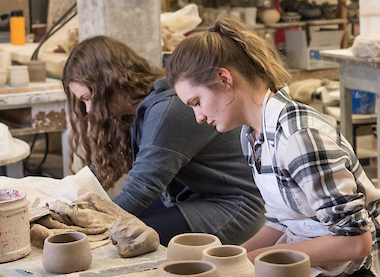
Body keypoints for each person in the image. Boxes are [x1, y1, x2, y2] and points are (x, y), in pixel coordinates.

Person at [165, 17, 380, 277]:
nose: (198, 116)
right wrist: (234, 258)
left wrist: (261, 260)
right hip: (308, 267)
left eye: (197, 102)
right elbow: (281, 222)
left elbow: (355, 241)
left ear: (224, 78)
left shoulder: (298, 136)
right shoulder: (251, 134)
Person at [63, 35, 265, 245]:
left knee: (117, 237)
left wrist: (85, 227)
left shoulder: (167, 109)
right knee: (118, 225)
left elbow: (140, 190)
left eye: (87, 98)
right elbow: (111, 165)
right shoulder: (138, 107)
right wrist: (70, 201)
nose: (89, 110)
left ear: (109, 82)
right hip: (194, 199)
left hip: (234, 208)